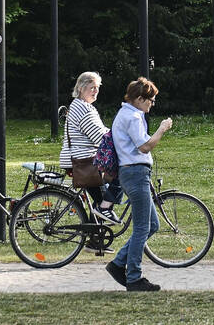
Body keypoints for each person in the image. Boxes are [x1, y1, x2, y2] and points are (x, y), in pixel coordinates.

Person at [105, 77, 173, 292]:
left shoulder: (125, 113)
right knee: (142, 227)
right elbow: (144, 147)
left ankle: (118, 264)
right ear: (140, 99)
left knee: (152, 225)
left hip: (132, 172)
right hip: (135, 172)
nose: (152, 104)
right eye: (150, 100)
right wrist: (161, 129)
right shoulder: (133, 116)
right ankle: (134, 277)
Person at [58, 71, 123, 223]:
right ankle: (96, 236)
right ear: (81, 87)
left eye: (98, 87)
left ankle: (96, 240)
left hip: (83, 159)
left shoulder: (81, 105)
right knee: (121, 172)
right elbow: (100, 137)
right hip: (84, 161)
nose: (96, 91)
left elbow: (102, 132)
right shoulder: (83, 109)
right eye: (92, 87)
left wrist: (117, 134)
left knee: (101, 200)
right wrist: (122, 139)